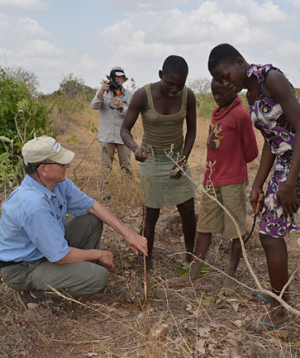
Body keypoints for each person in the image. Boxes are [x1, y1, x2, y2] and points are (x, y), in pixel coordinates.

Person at [208, 43, 300, 331]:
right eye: (219, 80)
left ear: (239, 62)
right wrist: (258, 184)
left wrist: (290, 183)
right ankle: (280, 296)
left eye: (225, 76)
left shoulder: (271, 79)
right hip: (285, 162)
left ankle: (279, 309)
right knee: (268, 232)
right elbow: (272, 142)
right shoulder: (250, 95)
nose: (224, 83)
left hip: (296, 163)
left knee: (270, 235)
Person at [0, 136, 147, 310]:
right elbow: (59, 255)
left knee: (91, 221)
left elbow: (92, 207)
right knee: (98, 277)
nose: (67, 165)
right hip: (23, 268)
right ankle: (34, 296)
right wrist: (98, 254)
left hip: (41, 250)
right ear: (43, 170)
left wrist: (127, 233)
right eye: (61, 163)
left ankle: (74, 275)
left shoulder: (58, 184)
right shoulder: (33, 205)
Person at [174, 78, 258, 292]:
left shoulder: (241, 115)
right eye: (214, 94)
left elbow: (252, 152)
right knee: (204, 227)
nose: (217, 98)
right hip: (211, 180)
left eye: (220, 94)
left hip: (232, 181)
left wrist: (233, 163)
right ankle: (194, 273)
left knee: (235, 230)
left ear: (233, 89)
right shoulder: (216, 111)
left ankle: (230, 277)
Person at [120, 55, 197, 275]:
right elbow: (124, 129)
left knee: (188, 212)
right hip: (150, 160)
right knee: (150, 217)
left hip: (177, 161)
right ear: (160, 75)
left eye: (179, 85)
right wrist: (135, 148)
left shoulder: (188, 96)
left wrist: (183, 159)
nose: (174, 90)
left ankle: (190, 258)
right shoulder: (142, 95)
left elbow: (192, 130)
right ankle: (146, 262)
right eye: (170, 84)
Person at [91, 66, 133, 192]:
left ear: (124, 80)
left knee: (126, 166)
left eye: (119, 78)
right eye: (114, 78)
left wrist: (121, 106)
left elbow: (132, 115)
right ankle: (105, 192)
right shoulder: (102, 92)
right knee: (106, 166)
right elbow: (94, 106)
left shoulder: (129, 95)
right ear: (109, 79)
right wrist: (101, 92)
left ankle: (128, 191)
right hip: (106, 136)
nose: (117, 80)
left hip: (123, 136)